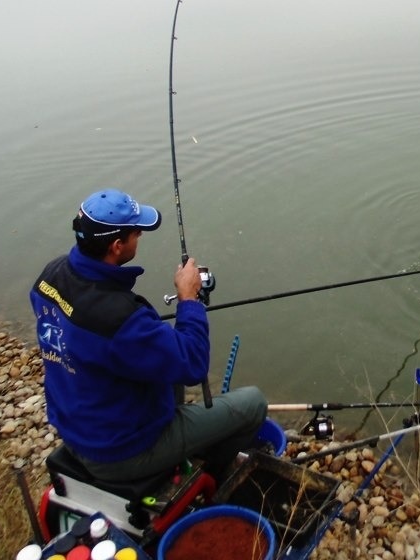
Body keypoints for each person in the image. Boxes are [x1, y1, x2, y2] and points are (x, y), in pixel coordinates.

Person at [30, 188, 267, 482]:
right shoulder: (120, 320)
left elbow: (96, 337)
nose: (140, 236)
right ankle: (212, 480)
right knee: (253, 403)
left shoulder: (51, 276)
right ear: (117, 246)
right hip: (120, 452)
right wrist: (188, 300)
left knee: (164, 367)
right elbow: (193, 363)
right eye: (136, 233)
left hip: (75, 425)